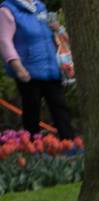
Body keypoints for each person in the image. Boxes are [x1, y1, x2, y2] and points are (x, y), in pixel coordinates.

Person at [1, 0, 74, 139]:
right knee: (31, 113)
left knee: (61, 109)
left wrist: (57, 29)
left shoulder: (40, 8)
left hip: (51, 70)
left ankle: (70, 147)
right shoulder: (7, 11)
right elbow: (4, 41)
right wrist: (18, 67)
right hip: (28, 72)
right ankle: (32, 149)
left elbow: (50, 36)